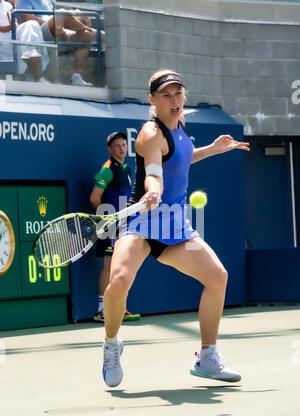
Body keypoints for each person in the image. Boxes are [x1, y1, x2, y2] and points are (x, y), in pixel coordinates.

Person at [101, 69, 250, 387]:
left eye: (178, 94)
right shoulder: (150, 133)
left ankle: (207, 357)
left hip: (175, 226)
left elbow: (179, 159)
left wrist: (211, 149)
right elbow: (154, 169)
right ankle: (112, 343)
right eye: (166, 95)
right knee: (119, 281)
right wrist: (153, 187)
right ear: (152, 100)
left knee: (217, 277)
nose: (175, 100)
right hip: (141, 223)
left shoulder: (180, 125)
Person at [89, 131, 141, 323]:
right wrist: (107, 218)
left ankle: (120, 308)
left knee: (122, 267)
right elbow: (94, 198)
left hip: (125, 225)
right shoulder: (107, 169)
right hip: (110, 225)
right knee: (109, 266)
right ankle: (101, 310)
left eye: (124, 145)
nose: (121, 148)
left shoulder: (126, 168)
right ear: (110, 149)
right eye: (117, 145)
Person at [15, 0, 95, 84]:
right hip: (38, 33)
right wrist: (54, 23)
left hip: (57, 29)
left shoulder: (47, 1)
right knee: (61, 14)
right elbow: (29, 18)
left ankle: (76, 77)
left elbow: (61, 15)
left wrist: (78, 15)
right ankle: (90, 30)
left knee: (86, 36)